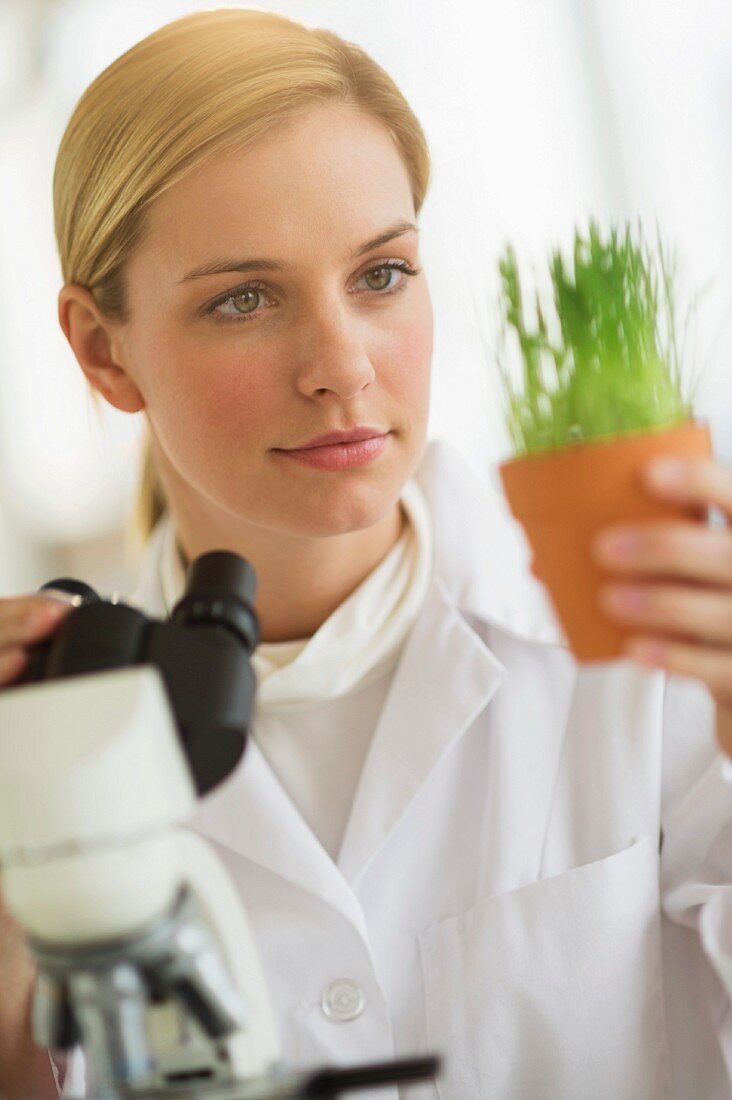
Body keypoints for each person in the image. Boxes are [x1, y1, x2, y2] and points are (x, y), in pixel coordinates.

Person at [0, 8, 731, 1098]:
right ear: (105, 351)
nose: (341, 366)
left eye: (381, 275)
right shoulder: (39, 735)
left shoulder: (655, 635)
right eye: (244, 299)